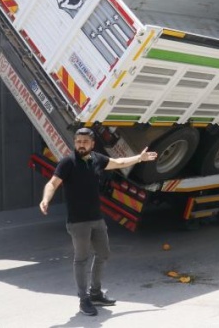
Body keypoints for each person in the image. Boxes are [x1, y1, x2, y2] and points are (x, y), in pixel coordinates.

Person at [39, 127, 157, 317]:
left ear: (92, 144)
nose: (81, 145)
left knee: (103, 254)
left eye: (85, 142)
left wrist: (138, 158)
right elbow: (52, 183)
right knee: (81, 259)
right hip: (78, 222)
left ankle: (95, 293)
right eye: (78, 142)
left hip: (97, 219)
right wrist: (46, 199)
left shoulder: (97, 160)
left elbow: (118, 162)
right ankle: (83, 299)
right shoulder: (67, 163)